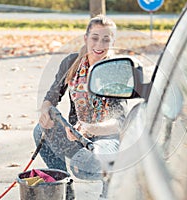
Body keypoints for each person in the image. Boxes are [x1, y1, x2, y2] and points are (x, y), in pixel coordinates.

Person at [33, 14, 126, 180]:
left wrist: (89, 128)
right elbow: (52, 95)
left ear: (113, 42)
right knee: (40, 130)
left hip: (107, 139)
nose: (99, 44)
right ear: (86, 38)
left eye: (106, 39)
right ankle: (63, 185)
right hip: (76, 134)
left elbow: (120, 122)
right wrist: (45, 112)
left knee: (86, 166)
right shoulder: (71, 62)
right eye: (95, 38)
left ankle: (108, 193)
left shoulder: (117, 70)